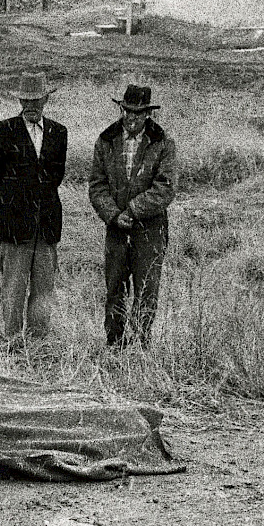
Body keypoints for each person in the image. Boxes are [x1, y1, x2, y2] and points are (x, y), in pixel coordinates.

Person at [88, 84, 177, 347]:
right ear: (121, 109)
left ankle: (142, 344)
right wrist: (114, 215)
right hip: (116, 227)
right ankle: (115, 344)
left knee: (147, 288)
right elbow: (97, 185)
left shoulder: (163, 142)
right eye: (127, 111)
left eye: (138, 113)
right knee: (115, 288)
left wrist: (134, 210)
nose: (131, 117)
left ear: (148, 114)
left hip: (150, 229)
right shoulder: (106, 140)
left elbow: (166, 187)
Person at [0, 72, 68, 340]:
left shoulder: (58, 132)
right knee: (14, 288)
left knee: (44, 289)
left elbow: (56, 176)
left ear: (46, 99)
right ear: (19, 99)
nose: (31, 105)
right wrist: (9, 205)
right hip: (13, 225)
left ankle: (39, 344)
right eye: (26, 99)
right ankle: (11, 342)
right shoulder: (0, 131)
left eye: (37, 99)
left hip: (47, 224)